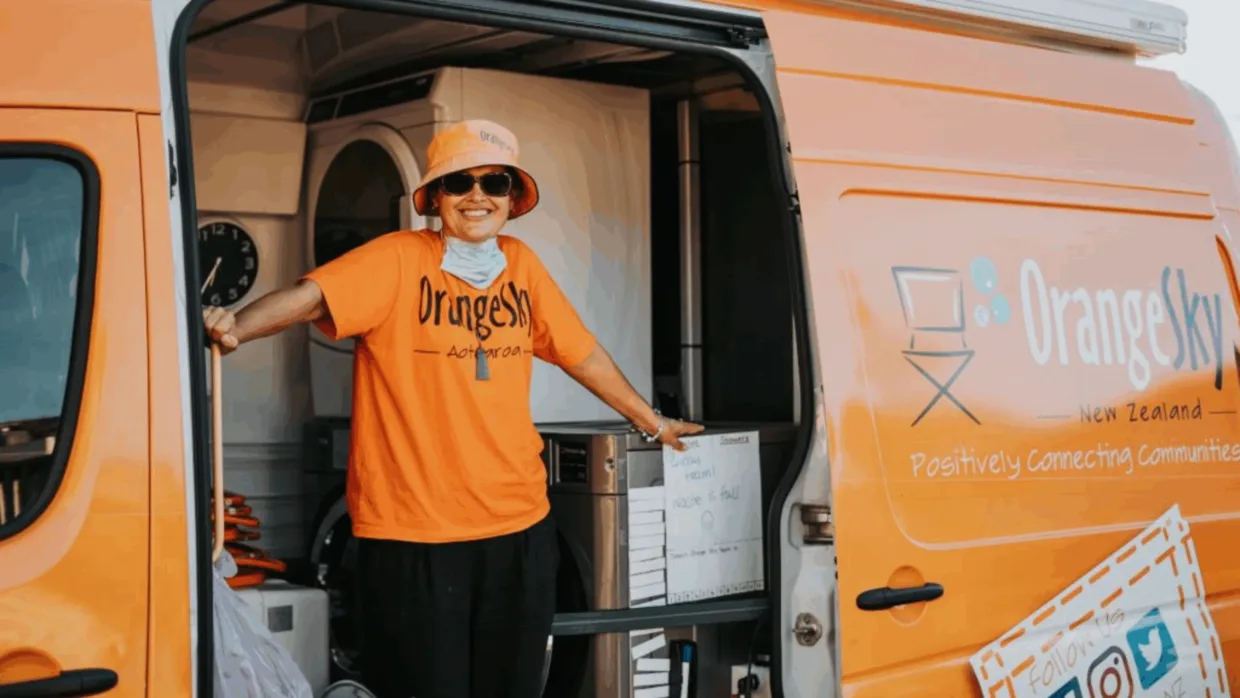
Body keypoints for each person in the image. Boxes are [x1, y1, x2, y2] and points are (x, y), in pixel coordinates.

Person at [202, 118, 704, 698]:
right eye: (460, 182)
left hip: (518, 528)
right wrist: (234, 327)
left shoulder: (522, 266)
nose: (477, 196)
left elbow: (582, 354)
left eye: (494, 183)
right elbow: (310, 297)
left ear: (511, 199)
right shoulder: (397, 259)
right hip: (413, 534)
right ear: (435, 197)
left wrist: (650, 420)